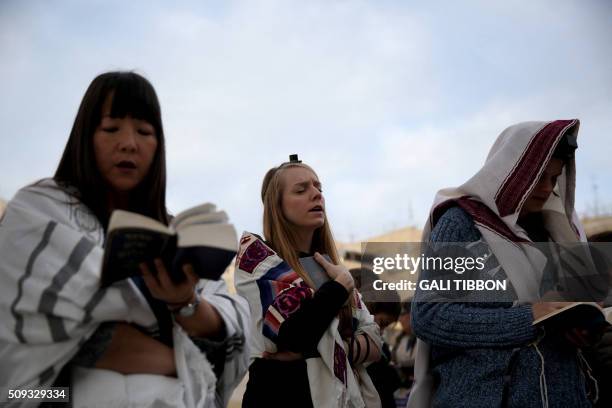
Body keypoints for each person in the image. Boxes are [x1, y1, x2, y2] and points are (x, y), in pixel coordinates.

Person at [0, 71, 249, 407]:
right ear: (85, 136)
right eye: (111, 128)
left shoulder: (175, 233)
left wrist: (185, 303)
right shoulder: (39, 210)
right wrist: (177, 365)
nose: (129, 143)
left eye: (144, 131)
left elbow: (227, 328)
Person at [409, 119, 602, 407]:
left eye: (554, 178)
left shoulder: (562, 233)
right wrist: (529, 318)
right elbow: (431, 316)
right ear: (513, 171)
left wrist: (584, 326)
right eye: (539, 177)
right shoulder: (462, 224)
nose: (547, 188)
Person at [235, 156, 383, 408]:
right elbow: (294, 336)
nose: (316, 195)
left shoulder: (333, 268)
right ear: (277, 206)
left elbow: (375, 340)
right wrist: (339, 288)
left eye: (318, 188)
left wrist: (332, 348)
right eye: (301, 190)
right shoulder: (257, 260)